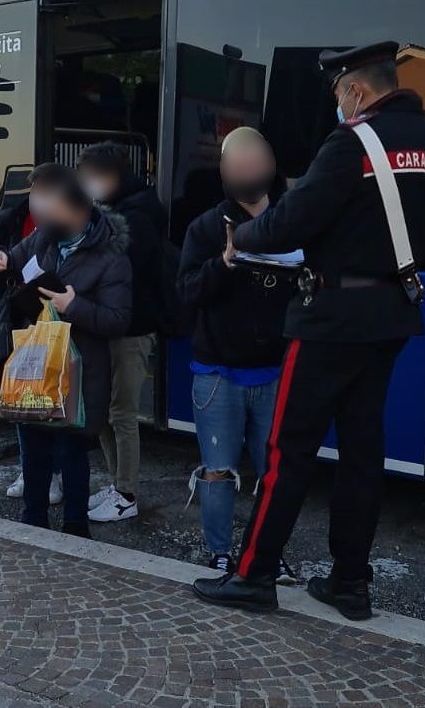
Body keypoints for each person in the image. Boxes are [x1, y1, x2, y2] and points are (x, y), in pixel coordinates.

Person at [193, 42, 425, 619]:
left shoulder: (353, 141)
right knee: (363, 453)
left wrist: (244, 238)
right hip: (392, 315)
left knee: (288, 451)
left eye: (338, 94)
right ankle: (350, 582)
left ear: (355, 90)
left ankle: (254, 575)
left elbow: (290, 221)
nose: (339, 105)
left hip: (331, 319)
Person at [0, 163, 132, 538]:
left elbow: (118, 320)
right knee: (33, 447)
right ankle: (33, 518)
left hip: (79, 373)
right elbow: (9, 262)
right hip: (36, 364)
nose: (48, 219)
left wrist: (74, 306)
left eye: (57, 211)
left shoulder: (111, 256)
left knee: (71, 452)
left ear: (81, 210)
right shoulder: (43, 239)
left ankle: (74, 526)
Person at [178, 128, 296, 580]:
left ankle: (268, 553)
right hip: (218, 373)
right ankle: (221, 553)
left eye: (254, 166)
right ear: (224, 174)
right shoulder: (207, 227)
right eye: (238, 168)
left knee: (275, 472)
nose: (248, 176)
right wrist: (222, 264)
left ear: (271, 166)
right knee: (218, 470)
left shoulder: (293, 219)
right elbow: (187, 291)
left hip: (276, 369)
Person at [76, 142, 166, 523]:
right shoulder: (108, 209)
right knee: (101, 410)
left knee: (122, 412)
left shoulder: (139, 213)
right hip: (105, 324)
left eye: (90, 177)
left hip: (132, 327)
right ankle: (117, 484)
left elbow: (115, 264)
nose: (86, 185)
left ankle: (126, 493)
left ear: (111, 176)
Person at [0, 194, 63, 504]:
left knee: (51, 399)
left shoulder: (67, 219)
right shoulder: (12, 217)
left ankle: (54, 472)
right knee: (22, 401)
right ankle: (30, 470)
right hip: (16, 318)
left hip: (52, 321)